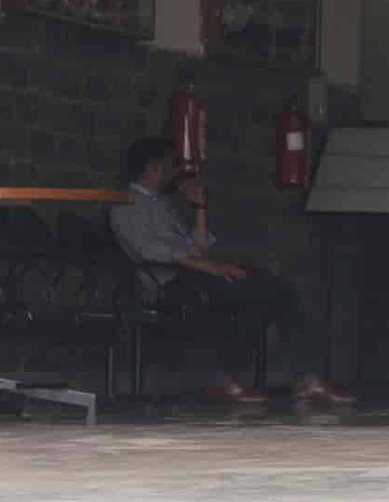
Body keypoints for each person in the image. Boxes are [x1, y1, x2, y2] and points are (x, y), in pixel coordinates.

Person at [110, 136, 352, 405]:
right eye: (172, 164)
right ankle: (241, 379)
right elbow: (148, 250)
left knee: (273, 293)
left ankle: (292, 379)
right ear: (154, 167)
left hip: (196, 276)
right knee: (262, 293)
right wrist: (210, 267)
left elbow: (200, 247)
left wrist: (199, 207)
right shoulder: (126, 203)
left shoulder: (163, 203)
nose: (176, 171)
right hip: (167, 285)